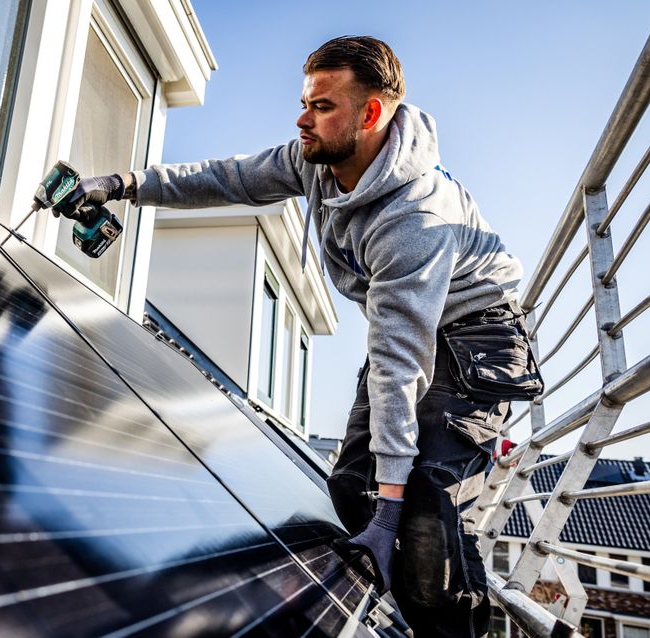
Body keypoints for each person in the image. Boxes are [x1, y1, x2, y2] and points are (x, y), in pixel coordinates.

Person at [58, 35, 541, 637]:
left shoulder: (415, 219)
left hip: (476, 340)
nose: (301, 118)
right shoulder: (314, 159)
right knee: (349, 485)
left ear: (370, 114)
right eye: (305, 101)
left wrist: (392, 512)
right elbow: (225, 177)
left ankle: (445, 608)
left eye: (321, 106)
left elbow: (398, 362)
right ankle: (415, 589)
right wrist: (126, 183)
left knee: (424, 525)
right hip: (413, 330)